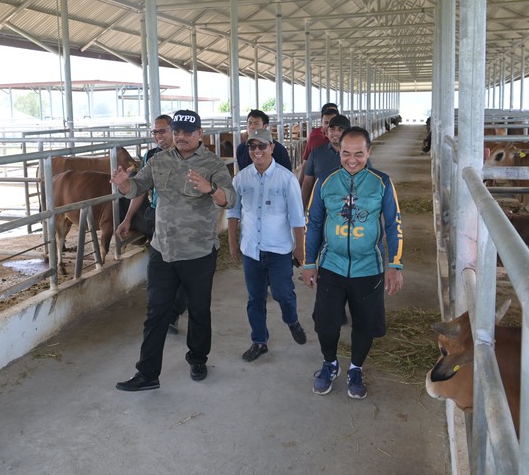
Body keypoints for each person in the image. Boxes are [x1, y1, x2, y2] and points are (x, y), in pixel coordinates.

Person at [111, 109, 236, 392]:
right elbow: (137, 187)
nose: (181, 137)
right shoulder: (159, 160)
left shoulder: (213, 163)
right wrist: (124, 184)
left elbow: (229, 199)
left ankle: (198, 358)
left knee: (199, 311)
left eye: (188, 132)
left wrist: (210, 188)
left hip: (198, 252)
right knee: (156, 313)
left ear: (200, 134)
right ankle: (147, 374)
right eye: (177, 131)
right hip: (163, 250)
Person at [302, 126, 403, 400]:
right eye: (346, 153)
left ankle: (356, 368)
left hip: (368, 267)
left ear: (369, 152)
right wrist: (309, 262)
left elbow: (393, 225)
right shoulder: (326, 181)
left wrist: (394, 264)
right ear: (339, 151)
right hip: (331, 265)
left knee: (365, 324)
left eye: (359, 154)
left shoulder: (382, 182)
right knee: (326, 323)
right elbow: (313, 224)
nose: (352, 159)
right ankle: (330, 363)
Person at [226, 128, 307, 362]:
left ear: (272, 147)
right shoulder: (241, 178)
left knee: (283, 293)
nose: (257, 151)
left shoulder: (286, 179)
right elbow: (233, 212)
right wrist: (233, 243)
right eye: (252, 146)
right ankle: (259, 341)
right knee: (255, 298)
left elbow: (297, 217)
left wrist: (300, 248)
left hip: (279, 249)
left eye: (262, 146)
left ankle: (291, 320)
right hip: (251, 249)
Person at [115, 114, 186, 334]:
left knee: (185, 271)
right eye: (155, 132)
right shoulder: (151, 156)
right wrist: (127, 218)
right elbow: (141, 188)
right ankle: (160, 314)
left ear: (174, 131)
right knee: (158, 269)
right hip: (157, 216)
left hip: (185, 220)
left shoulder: (187, 155)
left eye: (162, 131)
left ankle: (174, 311)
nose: (158, 136)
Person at [301, 113, 351, 208]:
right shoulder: (316, 153)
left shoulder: (356, 155)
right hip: (320, 207)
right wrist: (301, 209)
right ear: (326, 133)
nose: (335, 133)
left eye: (340, 130)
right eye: (332, 129)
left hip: (346, 208)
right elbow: (307, 183)